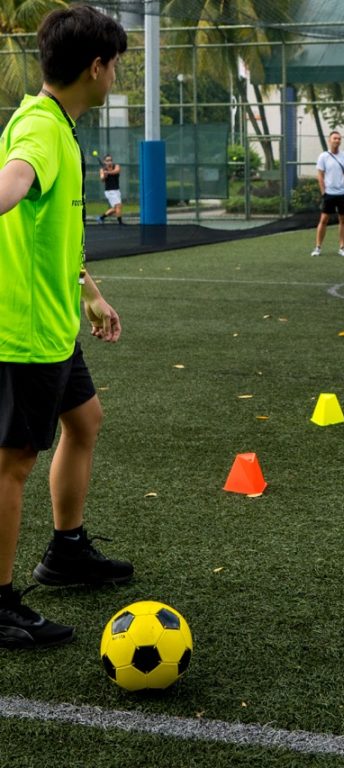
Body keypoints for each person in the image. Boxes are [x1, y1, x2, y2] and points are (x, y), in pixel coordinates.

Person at [0, 5, 132, 650]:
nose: (117, 79)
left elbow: (53, 230)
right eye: (117, 67)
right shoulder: (41, 132)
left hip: (55, 324)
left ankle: (67, 552)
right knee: (14, 462)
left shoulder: (58, 124)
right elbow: (16, 183)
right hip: (20, 333)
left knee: (85, 422)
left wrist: (90, 292)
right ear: (96, 66)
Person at [311, 130, 344, 257]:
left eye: (339, 139)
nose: (337, 141)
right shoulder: (323, 156)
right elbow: (320, 175)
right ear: (330, 140)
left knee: (343, 220)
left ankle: (342, 247)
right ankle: (318, 247)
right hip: (329, 193)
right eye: (335, 138)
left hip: (343, 193)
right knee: (323, 220)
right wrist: (323, 191)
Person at [98, 153, 123, 224]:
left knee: (115, 209)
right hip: (109, 191)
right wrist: (104, 175)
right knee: (118, 206)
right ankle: (120, 223)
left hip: (117, 190)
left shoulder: (116, 166)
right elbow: (102, 179)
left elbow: (117, 171)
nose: (109, 161)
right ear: (104, 162)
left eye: (110, 160)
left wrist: (108, 172)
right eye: (107, 160)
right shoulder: (102, 170)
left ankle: (101, 217)